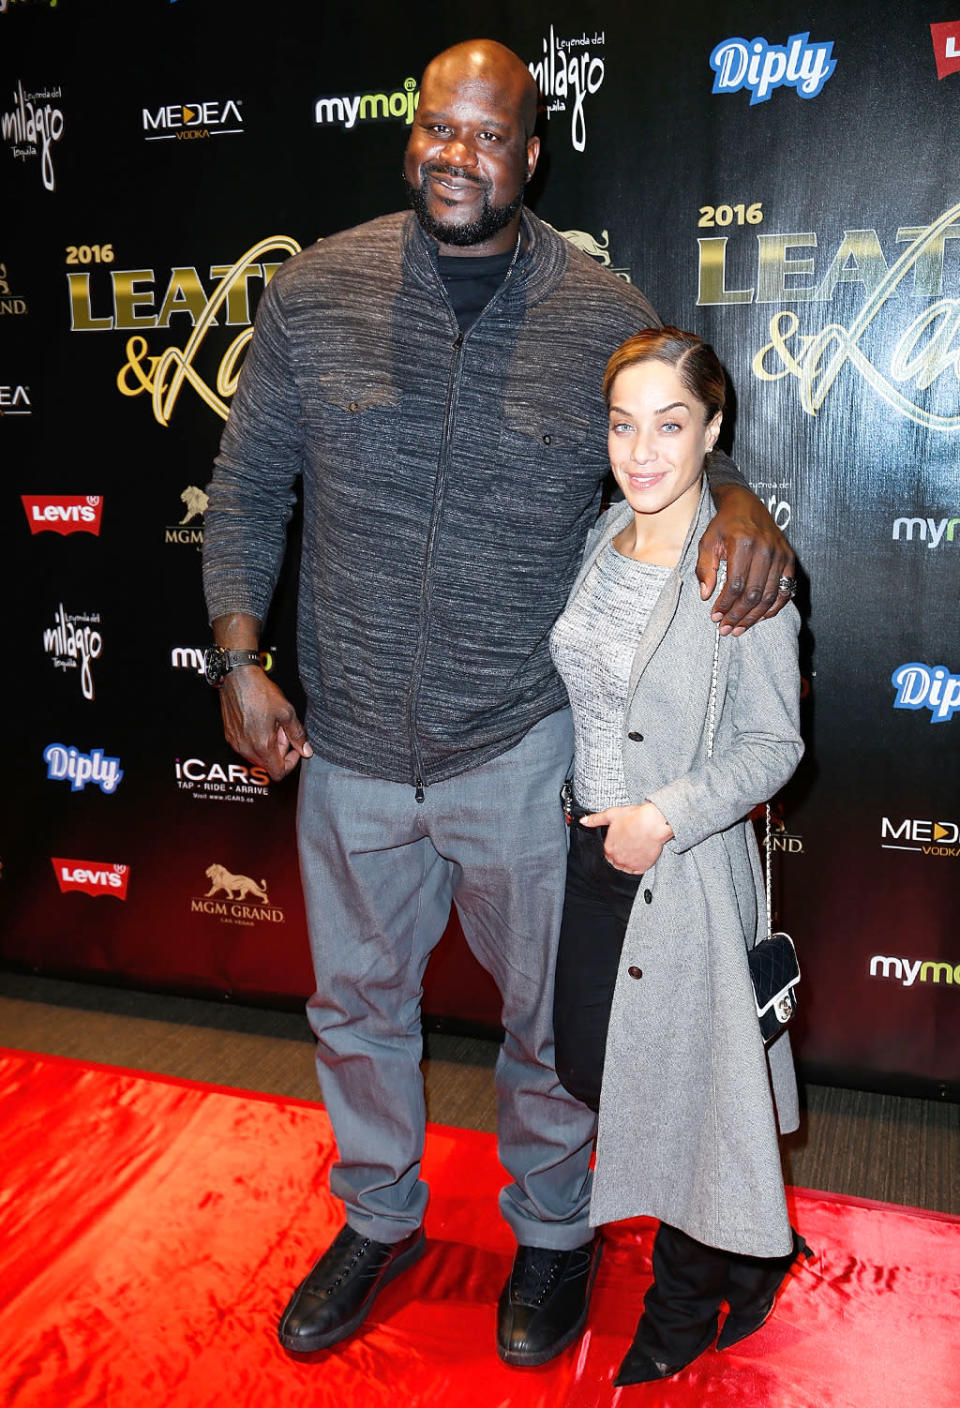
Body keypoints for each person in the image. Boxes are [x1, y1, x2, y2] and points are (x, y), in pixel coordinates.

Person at [201, 39, 797, 1367]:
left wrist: (746, 500)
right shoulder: (317, 290)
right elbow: (245, 488)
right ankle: (378, 1217)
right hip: (346, 750)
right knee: (355, 1010)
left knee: (545, 1021)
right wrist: (239, 657)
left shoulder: (597, 308)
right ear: (410, 137)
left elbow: (687, 436)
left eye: (488, 135)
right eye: (436, 129)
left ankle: (550, 1233)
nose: (455, 154)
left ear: (532, 155)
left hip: (525, 750)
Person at [550, 326, 808, 1386]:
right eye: (623, 424)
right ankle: (756, 1254)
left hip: (684, 870)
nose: (642, 451)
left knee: (694, 1092)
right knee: (593, 1065)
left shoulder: (738, 565)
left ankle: (688, 1290)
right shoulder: (605, 531)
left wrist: (665, 810)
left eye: (670, 424)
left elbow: (776, 743)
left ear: (713, 433)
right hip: (590, 852)